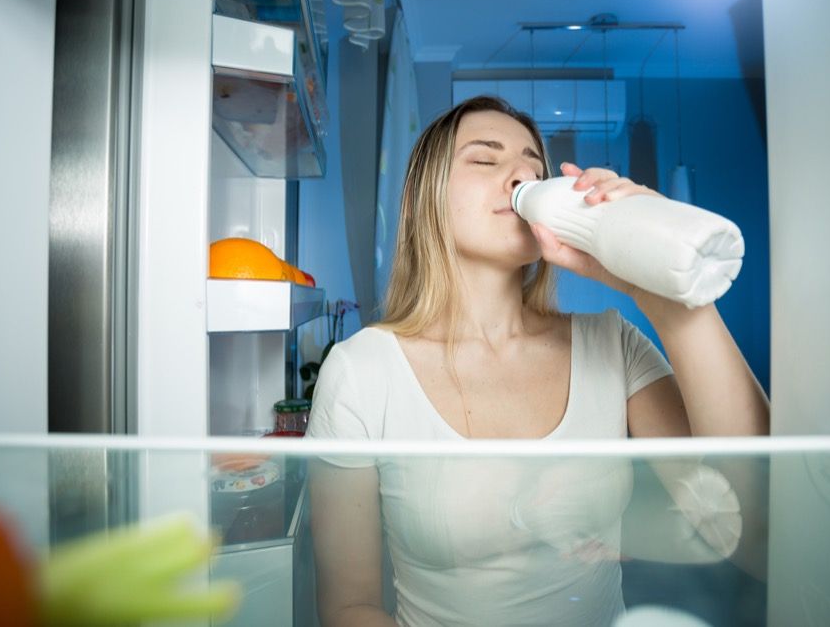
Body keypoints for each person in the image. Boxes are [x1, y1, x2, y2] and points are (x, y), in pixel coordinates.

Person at [306, 95, 770, 626]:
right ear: (419, 200)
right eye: (485, 159)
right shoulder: (361, 372)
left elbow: (755, 532)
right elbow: (349, 607)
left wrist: (669, 296)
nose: (522, 174)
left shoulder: (611, 346)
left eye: (534, 165)